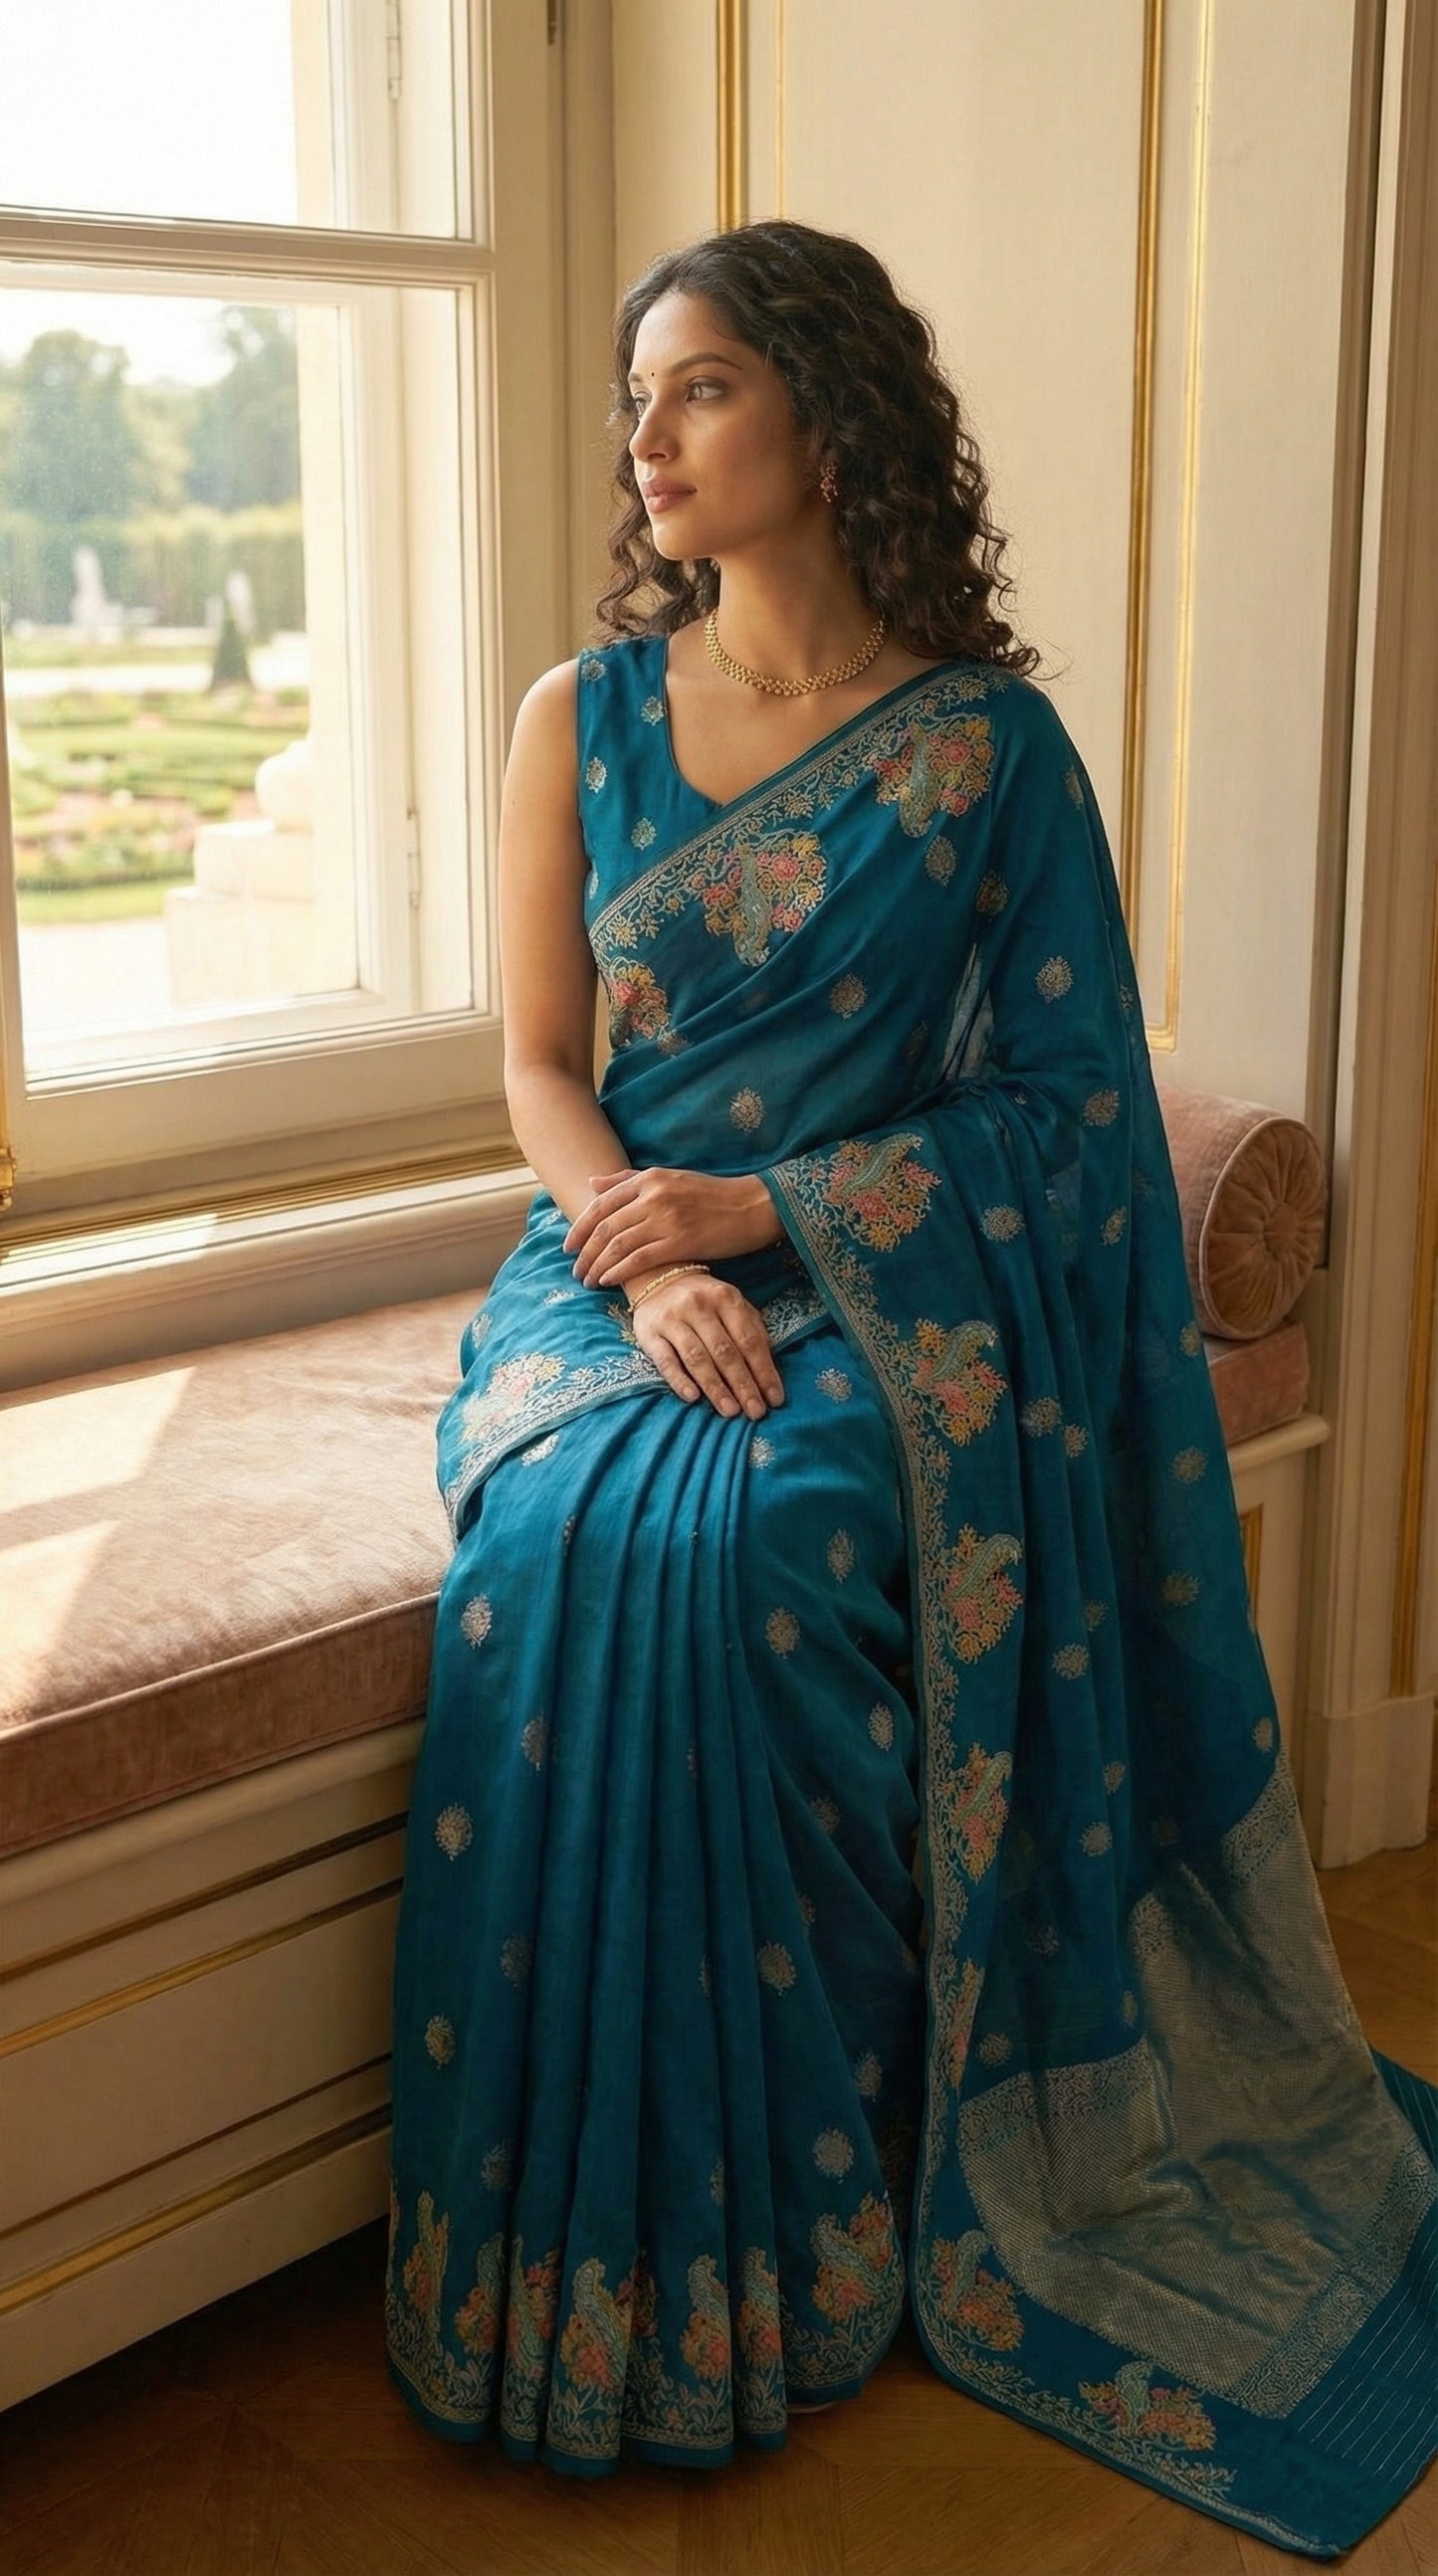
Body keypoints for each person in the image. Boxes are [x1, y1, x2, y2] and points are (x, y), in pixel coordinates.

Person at [383, 218, 1436, 2550]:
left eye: (700, 391)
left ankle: (815, 2231)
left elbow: (1072, 1116)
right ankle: (595, 2255)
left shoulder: (983, 755)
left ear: (829, 418)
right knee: (566, 1533)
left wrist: (782, 1219)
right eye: (639, 398)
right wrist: (634, 1253)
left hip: (872, 1286)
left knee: (767, 1543)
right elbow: (543, 1071)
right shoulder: (586, 715)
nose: (643, 440)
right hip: (604, 1259)